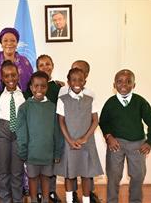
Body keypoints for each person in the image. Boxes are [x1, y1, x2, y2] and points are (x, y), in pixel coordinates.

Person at [99, 69, 151, 203]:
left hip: (137, 144)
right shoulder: (110, 103)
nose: (124, 85)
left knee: (138, 175)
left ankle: (135, 200)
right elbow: (103, 121)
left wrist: (149, 142)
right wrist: (109, 137)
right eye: (119, 82)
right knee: (113, 175)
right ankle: (112, 200)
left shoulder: (140, 102)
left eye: (128, 81)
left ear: (134, 85)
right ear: (114, 85)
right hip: (116, 144)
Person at [55, 68, 103, 203]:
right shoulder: (62, 100)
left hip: (86, 143)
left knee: (87, 174)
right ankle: (70, 200)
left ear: (85, 81)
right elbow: (61, 122)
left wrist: (85, 138)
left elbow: (95, 120)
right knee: (70, 174)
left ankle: (86, 199)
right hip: (69, 142)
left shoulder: (90, 99)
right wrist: (70, 140)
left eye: (80, 80)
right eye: (73, 80)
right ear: (68, 82)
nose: (77, 82)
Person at [16, 71, 62, 203]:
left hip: (48, 154)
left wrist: (57, 152)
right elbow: (21, 132)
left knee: (46, 177)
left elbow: (57, 131)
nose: (39, 89)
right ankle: (34, 199)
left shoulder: (52, 107)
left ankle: (46, 199)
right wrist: (23, 151)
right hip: (31, 154)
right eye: (36, 86)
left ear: (47, 87)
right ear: (31, 87)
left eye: (43, 86)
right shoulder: (25, 108)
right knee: (32, 178)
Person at [0, 60, 26, 203]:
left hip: (19, 134)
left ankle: (17, 199)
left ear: (18, 75)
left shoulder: (25, 96)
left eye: (13, 75)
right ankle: (4, 199)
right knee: (3, 170)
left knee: (17, 171)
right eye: (7, 76)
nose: (10, 79)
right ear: (2, 78)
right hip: (2, 133)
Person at [0, 27, 33, 93]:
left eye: (13, 41)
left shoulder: (25, 62)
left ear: (17, 43)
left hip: (22, 100)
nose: (9, 43)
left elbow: (31, 83)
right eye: (5, 40)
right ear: (1, 43)